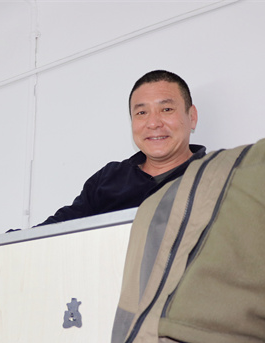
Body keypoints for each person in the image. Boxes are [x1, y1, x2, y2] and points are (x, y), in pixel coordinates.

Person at [37, 70, 205, 226]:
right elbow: (50, 232)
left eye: (166, 109)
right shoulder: (108, 179)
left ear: (192, 117)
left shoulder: (212, 177)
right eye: (142, 113)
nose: (153, 123)